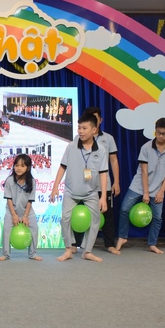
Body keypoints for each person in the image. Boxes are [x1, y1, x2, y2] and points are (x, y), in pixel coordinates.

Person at [50, 112, 108, 263]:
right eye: (79, 128)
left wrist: (103, 196)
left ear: (94, 129)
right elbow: (62, 167)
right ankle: (68, 249)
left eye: (84, 128)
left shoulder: (101, 150)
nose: (80, 131)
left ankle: (87, 251)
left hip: (91, 192)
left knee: (95, 220)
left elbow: (103, 173)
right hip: (71, 191)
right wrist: (55, 187)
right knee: (65, 219)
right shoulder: (71, 146)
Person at [116, 118, 165, 254]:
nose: (160, 136)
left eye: (164, 134)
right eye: (158, 132)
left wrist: (161, 191)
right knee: (124, 209)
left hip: (157, 188)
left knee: (157, 217)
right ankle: (122, 237)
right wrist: (145, 192)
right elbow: (144, 171)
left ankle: (152, 243)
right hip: (139, 185)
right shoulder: (146, 147)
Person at [72, 106, 121, 255]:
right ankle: (75, 244)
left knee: (107, 214)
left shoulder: (108, 138)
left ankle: (109, 244)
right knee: (79, 214)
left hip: (102, 184)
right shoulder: (78, 139)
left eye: (96, 118)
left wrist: (116, 181)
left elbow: (113, 160)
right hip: (84, 185)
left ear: (100, 120)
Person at [0, 154, 41, 261]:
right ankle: (6, 254)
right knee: (7, 230)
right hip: (11, 211)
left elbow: (30, 201)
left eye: (22, 166)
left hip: (27, 211)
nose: (18, 168)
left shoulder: (32, 181)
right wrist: (14, 215)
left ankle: (32, 254)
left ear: (28, 168)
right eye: (16, 165)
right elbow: (8, 199)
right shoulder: (9, 180)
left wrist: (25, 216)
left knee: (34, 229)